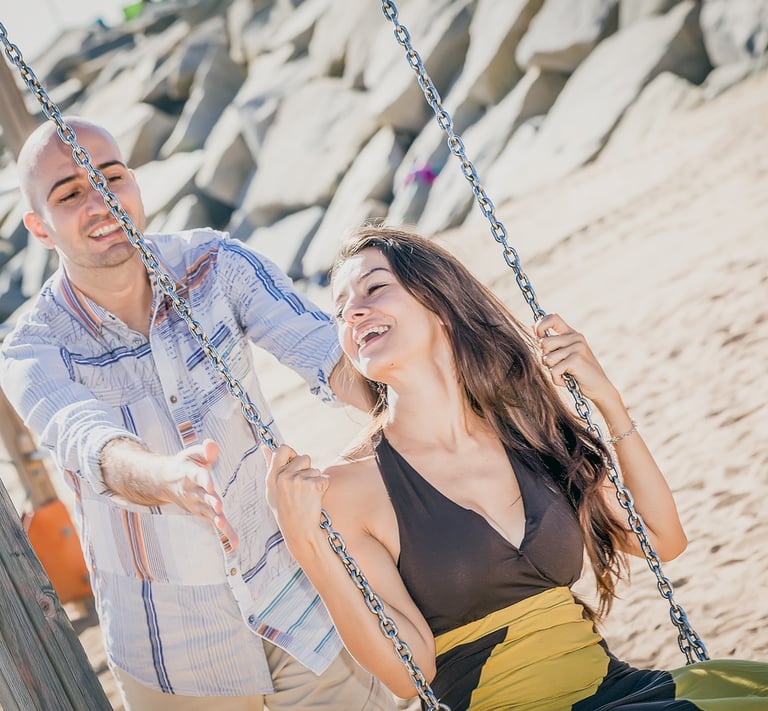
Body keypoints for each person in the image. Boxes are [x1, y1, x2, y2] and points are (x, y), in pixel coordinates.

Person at [265, 226, 768, 710]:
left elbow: (660, 538)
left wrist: (608, 401)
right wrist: (307, 545)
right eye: (340, 310)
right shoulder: (347, 487)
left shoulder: (525, 429)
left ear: (439, 302)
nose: (354, 312)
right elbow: (406, 670)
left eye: (374, 288)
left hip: (619, 690)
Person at [0, 117, 396, 710]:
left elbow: (326, 354)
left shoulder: (214, 264)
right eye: (69, 193)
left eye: (110, 178)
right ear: (39, 227)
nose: (100, 201)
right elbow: (91, 444)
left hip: (298, 592)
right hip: (171, 646)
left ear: (134, 183)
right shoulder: (32, 348)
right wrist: (169, 479)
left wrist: (412, 395)